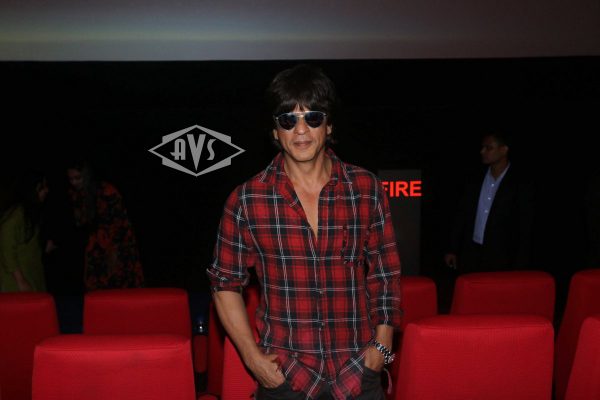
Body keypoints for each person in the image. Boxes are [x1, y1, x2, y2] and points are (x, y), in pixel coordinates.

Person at [207, 64, 402, 399]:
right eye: (288, 119)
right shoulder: (247, 200)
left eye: (312, 117)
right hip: (285, 377)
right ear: (275, 130)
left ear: (329, 125)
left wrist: (381, 350)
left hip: (358, 373)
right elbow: (224, 284)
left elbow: (386, 272)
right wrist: (253, 359)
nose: (300, 129)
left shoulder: (365, 188)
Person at [444, 131, 534, 273]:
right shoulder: (475, 178)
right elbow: (462, 214)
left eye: (489, 148)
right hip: (472, 252)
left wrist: (521, 262)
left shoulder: (519, 182)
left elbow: (525, 224)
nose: (482, 151)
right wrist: (452, 248)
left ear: (503, 150)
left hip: (503, 257)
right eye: (482, 147)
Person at [66, 161, 144, 291]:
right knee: (95, 282)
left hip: (117, 241)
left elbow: (120, 224)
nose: (74, 182)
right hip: (95, 241)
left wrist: (114, 251)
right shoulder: (76, 193)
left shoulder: (107, 191)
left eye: (78, 178)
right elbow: (81, 222)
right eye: (70, 179)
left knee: (119, 280)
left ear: (86, 175)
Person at [0, 170, 50, 292]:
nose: (46, 190)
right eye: (41, 187)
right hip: (17, 282)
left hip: (31, 274)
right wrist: (21, 281)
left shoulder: (29, 213)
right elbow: (6, 251)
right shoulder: (15, 217)